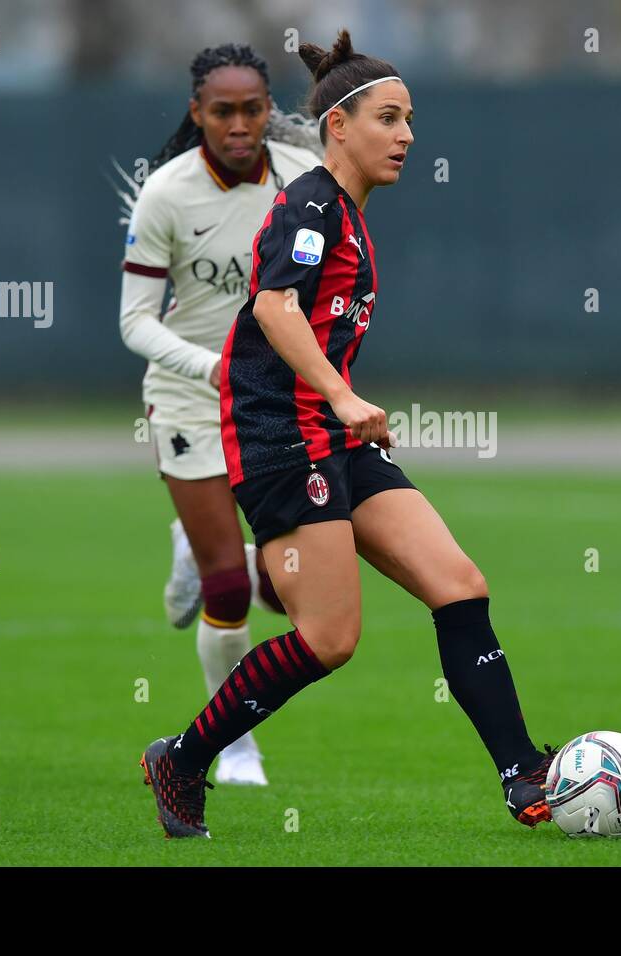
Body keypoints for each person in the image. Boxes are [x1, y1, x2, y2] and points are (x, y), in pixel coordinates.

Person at [140, 29, 556, 838]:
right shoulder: (310, 205)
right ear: (339, 125)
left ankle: (523, 773)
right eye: (390, 119)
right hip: (279, 442)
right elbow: (273, 308)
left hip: (329, 436)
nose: (406, 136)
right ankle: (183, 759)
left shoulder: (349, 216)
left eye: (410, 120)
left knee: (460, 586)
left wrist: (343, 408)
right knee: (329, 640)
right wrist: (342, 394)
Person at [118, 43, 323, 785]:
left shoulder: (305, 180)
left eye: (253, 109)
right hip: (191, 399)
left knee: (284, 587)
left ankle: (192, 541)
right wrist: (214, 368)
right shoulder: (167, 194)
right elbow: (135, 323)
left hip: (274, 402)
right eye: (222, 111)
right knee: (229, 587)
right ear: (197, 113)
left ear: (270, 111)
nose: (239, 125)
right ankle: (232, 745)